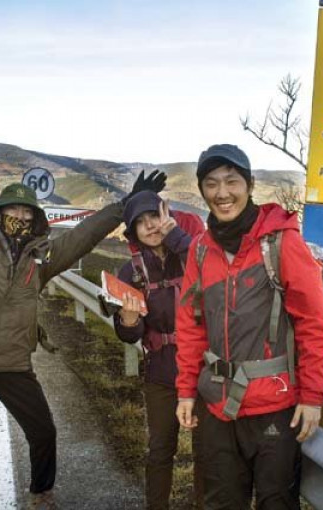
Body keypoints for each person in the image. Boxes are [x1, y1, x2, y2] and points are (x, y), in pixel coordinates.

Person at [0, 97, 166, 510]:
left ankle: (42, 494)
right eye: (13, 210)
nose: (20, 217)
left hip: (15, 367)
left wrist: (124, 205)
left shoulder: (40, 260)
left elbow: (84, 236)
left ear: (36, 219)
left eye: (27, 211)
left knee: (44, 433)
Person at [174, 144, 323, 509]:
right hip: (217, 405)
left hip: (274, 405)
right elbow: (191, 326)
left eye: (232, 181)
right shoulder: (200, 249)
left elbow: (314, 323)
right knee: (220, 502)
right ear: (202, 189)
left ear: (249, 185)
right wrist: (186, 390)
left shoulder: (281, 242)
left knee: (275, 503)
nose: (222, 193)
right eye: (212, 183)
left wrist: (312, 397)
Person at [112, 190, 205, 509]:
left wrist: (177, 238)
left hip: (205, 370)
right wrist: (127, 321)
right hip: (162, 373)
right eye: (141, 222)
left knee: (207, 453)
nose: (150, 226)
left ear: (169, 216)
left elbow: (217, 269)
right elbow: (130, 335)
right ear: (132, 232)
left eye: (155, 216)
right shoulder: (130, 273)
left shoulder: (191, 252)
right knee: (161, 451)